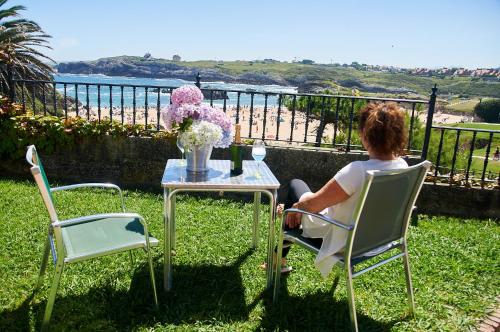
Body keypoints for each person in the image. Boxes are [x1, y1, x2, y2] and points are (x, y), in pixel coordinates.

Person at [266, 102, 409, 277]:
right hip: (379, 241)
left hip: (343, 242)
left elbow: (312, 205)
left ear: (365, 135)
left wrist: (293, 209)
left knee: (296, 186)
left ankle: (277, 258)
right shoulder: (403, 167)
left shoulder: (358, 171)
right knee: (297, 204)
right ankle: (278, 254)